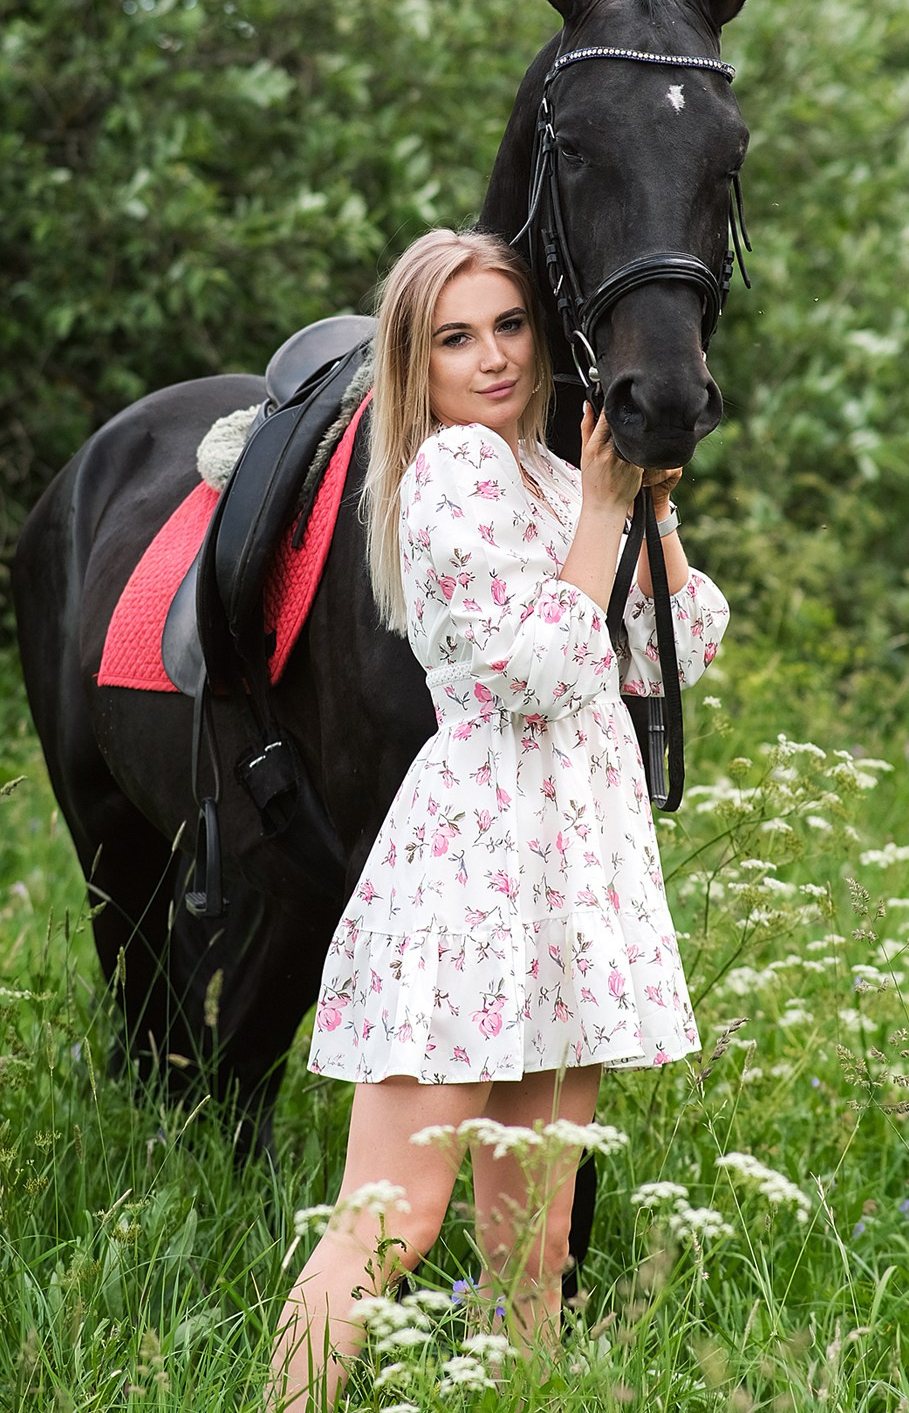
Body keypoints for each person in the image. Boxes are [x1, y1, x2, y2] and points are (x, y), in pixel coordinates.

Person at [268, 229, 729, 1409]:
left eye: (509, 327)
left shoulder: (556, 474)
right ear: (412, 364)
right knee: (391, 1219)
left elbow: (677, 650)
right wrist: (600, 522)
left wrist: (649, 512)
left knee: (537, 1240)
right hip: (477, 871)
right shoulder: (446, 479)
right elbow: (536, 671)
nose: (491, 359)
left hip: (567, 872)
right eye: (454, 338)